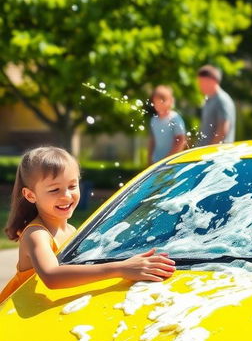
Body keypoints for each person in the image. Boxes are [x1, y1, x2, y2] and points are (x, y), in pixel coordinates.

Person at [1, 147, 176, 304]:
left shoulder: (71, 231)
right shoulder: (37, 234)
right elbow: (51, 277)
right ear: (31, 195)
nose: (67, 196)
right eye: (54, 190)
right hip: (17, 319)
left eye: (72, 186)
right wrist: (121, 268)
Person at [147, 85, 188, 165]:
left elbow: (181, 140)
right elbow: (152, 140)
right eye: (156, 102)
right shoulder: (154, 120)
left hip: (172, 162)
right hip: (156, 161)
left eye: (162, 101)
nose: (159, 104)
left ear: (170, 101)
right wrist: (149, 158)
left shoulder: (174, 118)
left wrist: (168, 159)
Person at [196, 65, 236, 145]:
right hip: (207, 152)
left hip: (217, 153)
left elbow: (223, 128)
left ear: (212, 81)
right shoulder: (208, 99)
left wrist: (211, 150)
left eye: (202, 82)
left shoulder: (222, 100)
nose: (199, 86)